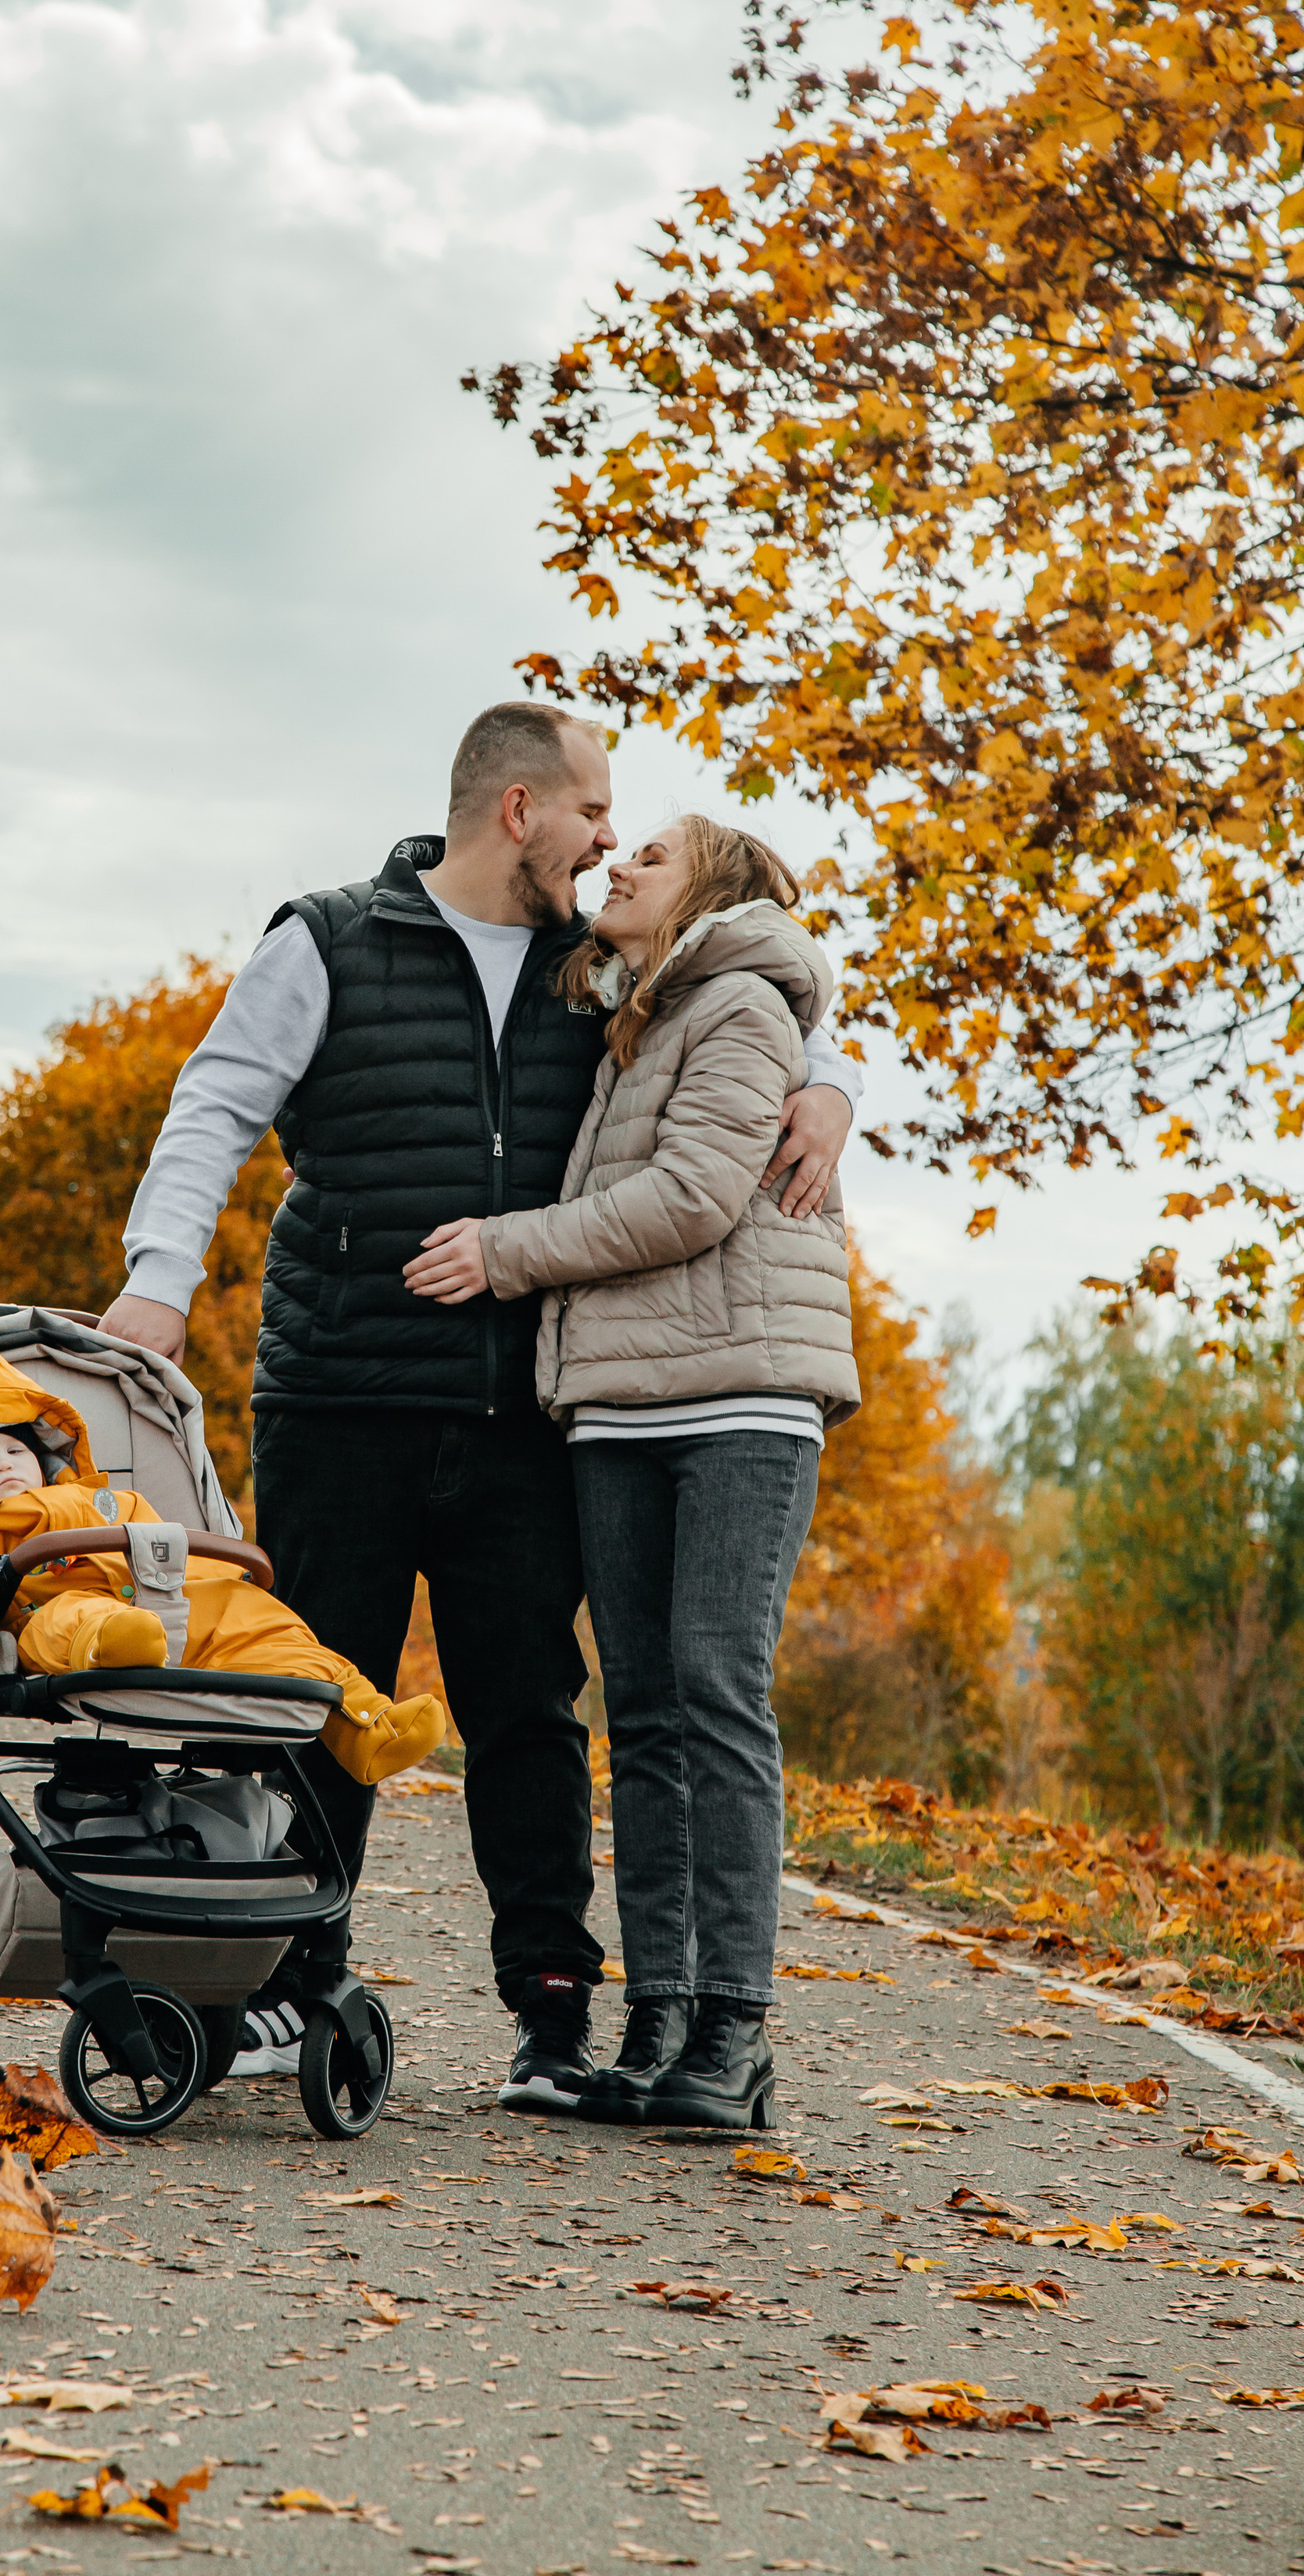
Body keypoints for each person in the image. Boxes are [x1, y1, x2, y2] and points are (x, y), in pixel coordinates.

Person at [100, 702, 861, 2109]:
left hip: (530, 1410)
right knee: (317, 1696)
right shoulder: (329, 939)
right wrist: (158, 1279)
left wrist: (833, 1087)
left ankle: (553, 2020)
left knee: (530, 1714)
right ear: (519, 810)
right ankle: (284, 1983)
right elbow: (213, 1104)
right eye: (592, 811)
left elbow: (766, 995)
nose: (610, 839)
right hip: (342, 1386)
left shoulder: (604, 966)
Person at [405, 814, 861, 2128]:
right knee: (645, 1714)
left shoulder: (738, 1005)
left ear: (708, 890)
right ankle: (660, 2026)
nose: (618, 869)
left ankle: (736, 2034)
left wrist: (508, 1250)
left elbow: (693, 1199)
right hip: (620, 1410)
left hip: (740, 1401)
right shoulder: (636, 1020)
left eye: (647, 858)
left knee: (717, 1693)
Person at [0, 1339, 446, 1790]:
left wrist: (225, 1587)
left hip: (161, 1600)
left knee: (259, 1618)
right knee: (71, 1619)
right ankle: (115, 1645)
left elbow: (170, 1550)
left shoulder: (108, 1501)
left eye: (14, 1452)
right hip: (50, 1612)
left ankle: (365, 1724)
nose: (1, 1466)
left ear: (42, 1456)